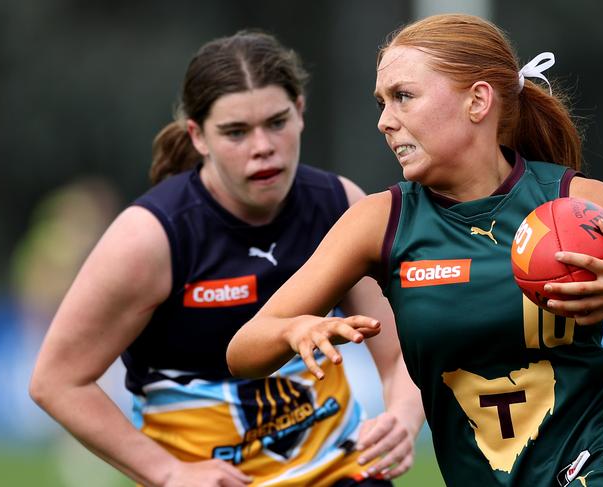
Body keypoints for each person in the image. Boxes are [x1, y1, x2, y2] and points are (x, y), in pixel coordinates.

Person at [226, 14, 603, 487]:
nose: (383, 121)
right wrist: (295, 330)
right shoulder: (380, 221)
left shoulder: (576, 203)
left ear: (477, 101)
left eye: (403, 97)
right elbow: (242, 352)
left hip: (601, 459)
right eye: (381, 102)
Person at [29, 30, 425, 487]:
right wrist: (169, 471)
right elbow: (57, 381)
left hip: (340, 474)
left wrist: (401, 416)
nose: (263, 146)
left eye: (277, 122)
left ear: (299, 112)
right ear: (198, 136)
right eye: (236, 132)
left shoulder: (338, 205)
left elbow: (399, 356)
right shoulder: (151, 237)